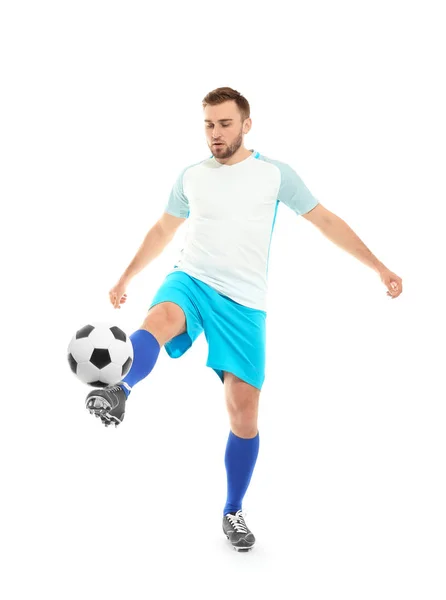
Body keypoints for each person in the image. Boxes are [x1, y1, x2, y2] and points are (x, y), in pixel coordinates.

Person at [85, 87, 403, 551]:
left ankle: (232, 509)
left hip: (245, 303)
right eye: (209, 125)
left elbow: (326, 221)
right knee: (160, 319)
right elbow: (162, 229)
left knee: (244, 413)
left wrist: (379, 266)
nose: (216, 134)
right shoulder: (191, 176)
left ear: (246, 124)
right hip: (191, 280)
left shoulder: (275, 175)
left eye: (225, 124)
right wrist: (125, 277)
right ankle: (120, 389)